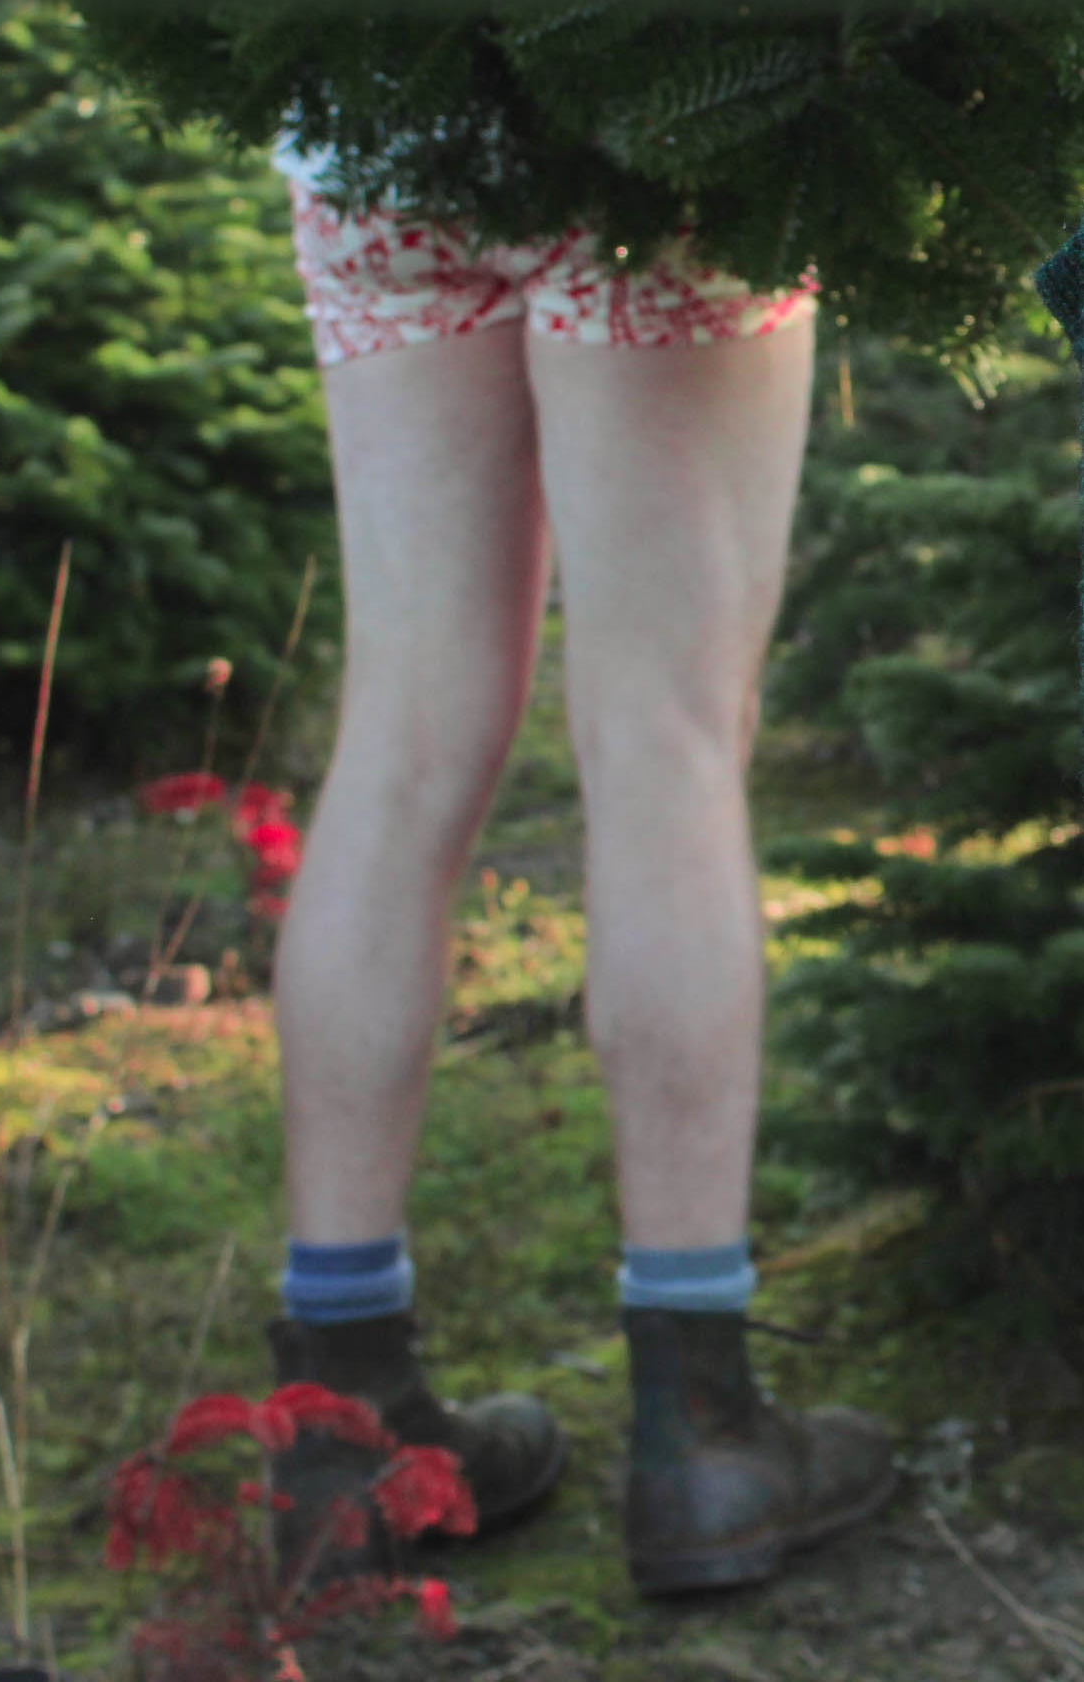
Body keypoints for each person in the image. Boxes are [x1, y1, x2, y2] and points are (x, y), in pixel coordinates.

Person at [260, 140, 898, 1595]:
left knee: (403, 732)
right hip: (656, 104)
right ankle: (700, 1428)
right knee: (666, 734)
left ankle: (338, 1421)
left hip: (368, 111)